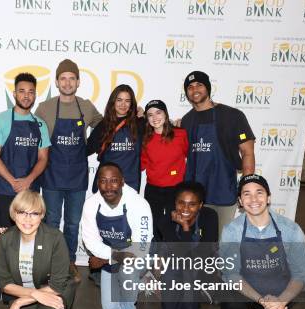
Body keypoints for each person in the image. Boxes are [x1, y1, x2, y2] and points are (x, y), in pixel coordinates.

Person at [218, 174, 305, 309]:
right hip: (244, 293)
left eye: (259, 193)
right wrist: (261, 300)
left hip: (278, 296)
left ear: (268, 197)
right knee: (230, 298)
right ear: (240, 202)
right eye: (247, 194)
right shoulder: (232, 231)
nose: (254, 199)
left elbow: (301, 274)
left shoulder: (290, 230)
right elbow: (231, 274)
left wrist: (280, 301)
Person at [35, 59, 103, 283]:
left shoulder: (85, 106)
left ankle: (70, 262)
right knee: (52, 222)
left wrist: (135, 115)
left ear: (78, 82)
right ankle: (53, 264)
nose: (67, 82)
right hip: (52, 175)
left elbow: (104, 126)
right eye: (63, 78)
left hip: (77, 175)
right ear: (56, 82)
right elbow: (33, 136)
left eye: (71, 78)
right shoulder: (45, 108)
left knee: (73, 223)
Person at [0, 190, 76, 309]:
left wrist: (19, 303)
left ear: (42, 216)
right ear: (14, 214)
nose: (27, 219)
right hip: (24, 291)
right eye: (22, 213)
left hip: (51, 290)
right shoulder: (6, 239)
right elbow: (4, 283)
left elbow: (57, 284)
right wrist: (32, 295)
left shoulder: (54, 238)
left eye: (34, 213)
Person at [81, 163, 152, 309]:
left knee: (128, 272)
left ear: (122, 182)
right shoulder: (91, 205)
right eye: (103, 181)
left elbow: (140, 248)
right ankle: (134, 287)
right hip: (111, 257)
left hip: (134, 260)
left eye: (114, 181)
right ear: (97, 183)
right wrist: (114, 256)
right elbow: (90, 241)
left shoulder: (138, 204)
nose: (108, 186)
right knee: (109, 308)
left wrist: (106, 259)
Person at [180, 71, 255, 234]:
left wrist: (246, 189)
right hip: (194, 195)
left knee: (221, 241)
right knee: (196, 242)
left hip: (223, 191)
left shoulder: (232, 116)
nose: (195, 90)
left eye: (199, 85)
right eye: (190, 87)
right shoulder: (186, 121)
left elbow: (247, 153)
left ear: (208, 88)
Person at [156, 181, 218, 309]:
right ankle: (191, 299)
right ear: (175, 202)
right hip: (178, 264)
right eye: (181, 203)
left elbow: (200, 256)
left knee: (189, 269)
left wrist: (184, 227)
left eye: (192, 205)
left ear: (201, 205)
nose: (185, 209)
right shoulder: (165, 220)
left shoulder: (210, 217)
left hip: (202, 268)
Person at [0, 72, 50, 229]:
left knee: (30, 233)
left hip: (30, 190)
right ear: (14, 94)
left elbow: (43, 158)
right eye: (22, 91)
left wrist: (28, 180)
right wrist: (13, 182)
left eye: (31, 92)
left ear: (35, 95)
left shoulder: (40, 124)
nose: (26, 96)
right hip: (6, 188)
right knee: (4, 234)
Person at [141, 100, 189, 242]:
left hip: (175, 189)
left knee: (172, 226)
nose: (155, 118)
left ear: (166, 114)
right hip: (153, 189)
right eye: (150, 115)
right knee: (153, 226)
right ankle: (156, 260)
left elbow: (188, 154)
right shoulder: (145, 139)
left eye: (158, 112)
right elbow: (141, 164)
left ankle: (172, 259)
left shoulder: (181, 134)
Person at [87, 84, 145, 193]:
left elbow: (160, 131)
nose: (123, 104)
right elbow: (86, 149)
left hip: (130, 186)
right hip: (106, 187)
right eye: (119, 100)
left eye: (127, 101)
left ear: (131, 104)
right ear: (113, 102)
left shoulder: (140, 123)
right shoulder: (103, 125)